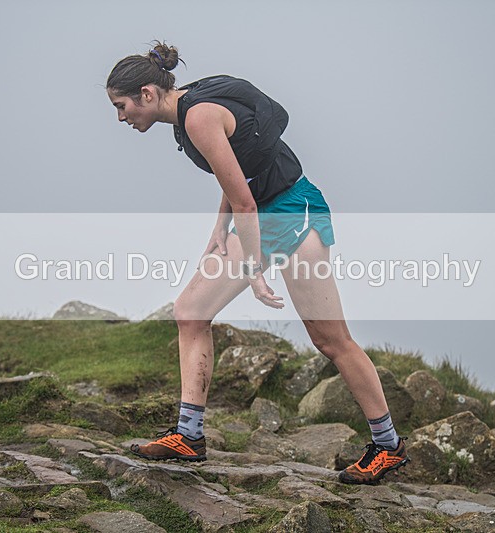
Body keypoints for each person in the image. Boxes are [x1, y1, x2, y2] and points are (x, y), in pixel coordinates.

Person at [105, 42, 409, 485]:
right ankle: (188, 435)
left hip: (293, 212)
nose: (120, 117)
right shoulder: (188, 111)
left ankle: (388, 447)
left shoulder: (198, 116)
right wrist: (218, 228)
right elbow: (237, 170)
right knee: (190, 312)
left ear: (147, 95)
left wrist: (252, 269)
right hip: (255, 217)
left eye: (121, 105)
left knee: (330, 338)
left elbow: (246, 199)